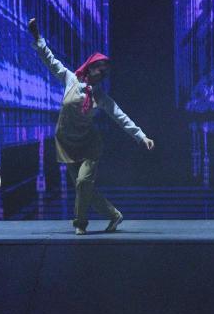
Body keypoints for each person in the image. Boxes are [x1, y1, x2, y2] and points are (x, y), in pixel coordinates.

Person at [28, 18, 155, 235]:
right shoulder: (71, 79)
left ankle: (80, 223)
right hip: (66, 142)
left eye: (105, 73)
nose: (102, 75)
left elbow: (120, 116)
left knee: (83, 183)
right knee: (83, 188)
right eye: (100, 70)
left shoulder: (100, 96)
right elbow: (50, 59)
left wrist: (141, 136)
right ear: (91, 67)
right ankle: (114, 215)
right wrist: (37, 36)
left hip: (88, 144)